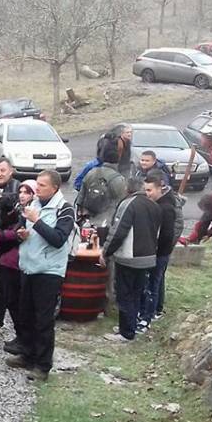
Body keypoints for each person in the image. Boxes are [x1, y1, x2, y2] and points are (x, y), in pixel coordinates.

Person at [5, 170, 74, 382]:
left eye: (43, 185)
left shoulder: (65, 209)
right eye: (38, 184)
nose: (38, 188)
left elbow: (58, 239)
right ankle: (27, 354)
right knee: (25, 314)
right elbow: (22, 230)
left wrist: (37, 222)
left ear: (55, 188)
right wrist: (21, 234)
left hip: (49, 271)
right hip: (28, 267)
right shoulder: (34, 205)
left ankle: (43, 366)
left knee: (43, 320)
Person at [99, 179, 162, 343]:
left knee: (125, 294)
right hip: (148, 257)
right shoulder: (154, 205)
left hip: (129, 257)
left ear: (127, 189)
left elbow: (118, 232)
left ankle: (126, 332)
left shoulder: (128, 204)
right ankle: (129, 326)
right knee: (136, 293)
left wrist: (105, 251)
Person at [0, 180, 34, 342]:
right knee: (8, 295)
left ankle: (24, 338)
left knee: (18, 300)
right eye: (21, 192)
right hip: (8, 258)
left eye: (27, 192)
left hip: (20, 260)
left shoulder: (32, 213)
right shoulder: (12, 209)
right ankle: (3, 323)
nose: (23, 195)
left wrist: (8, 236)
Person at [138, 171, 181, 331]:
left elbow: (166, 234)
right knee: (149, 284)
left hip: (159, 253)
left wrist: (155, 251)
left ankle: (147, 319)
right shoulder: (158, 204)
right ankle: (144, 314)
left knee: (152, 286)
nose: (147, 194)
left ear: (159, 189)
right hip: (154, 251)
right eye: (145, 190)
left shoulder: (165, 208)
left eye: (150, 191)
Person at [75, 141, 128, 228]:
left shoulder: (91, 173)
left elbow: (80, 197)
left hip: (88, 219)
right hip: (107, 220)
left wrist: (81, 214)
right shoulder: (118, 179)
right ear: (118, 160)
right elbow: (121, 203)